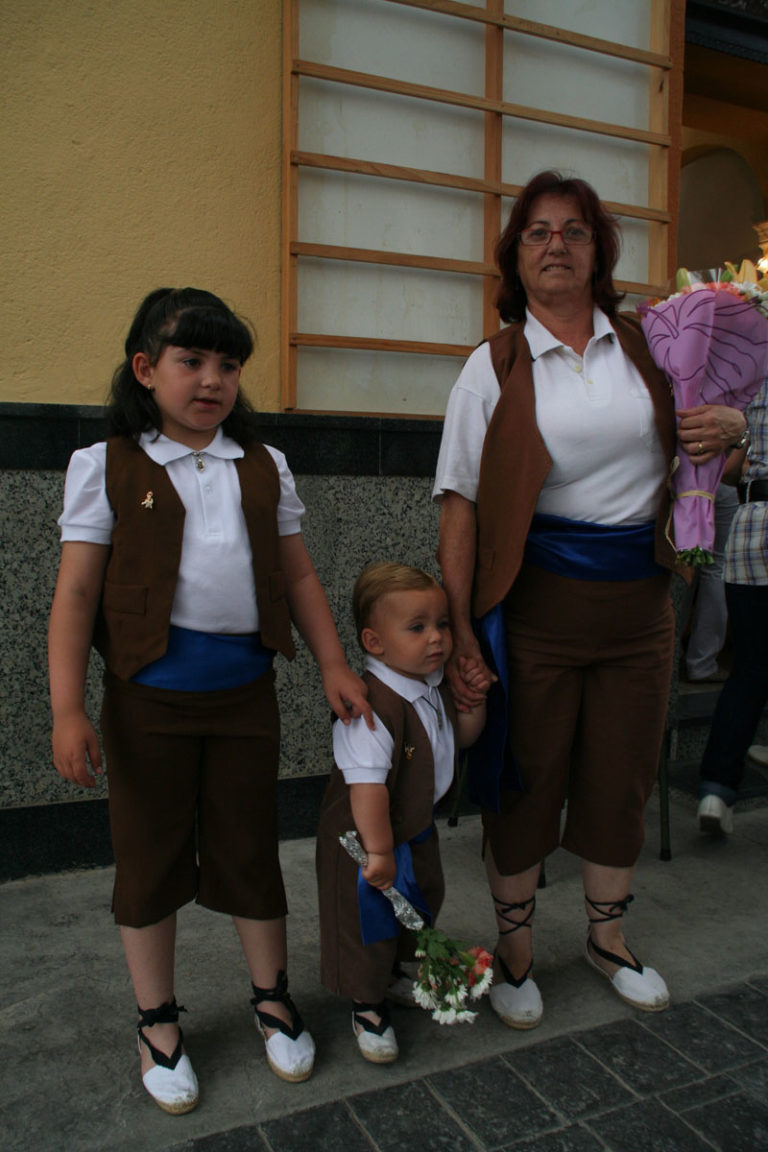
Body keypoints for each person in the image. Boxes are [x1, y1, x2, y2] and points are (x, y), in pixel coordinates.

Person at [432, 170, 747, 1028]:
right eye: (537, 232)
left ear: (599, 249)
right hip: (533, 611)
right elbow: (458, 507)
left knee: (621, 777)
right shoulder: (492, 365)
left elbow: (715, 451)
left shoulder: (653, 345)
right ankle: (519, 950)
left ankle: (608, 940)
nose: (556, 245)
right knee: (525, 781)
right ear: (515, 256)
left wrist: (736, 431)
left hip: (641, 607)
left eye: (573, 230)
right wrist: (462, 630)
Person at [48, 287, 373, 1114]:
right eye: (190, 360)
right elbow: (77, 595)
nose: (212, 379)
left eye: (228, 364)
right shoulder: (107, 465)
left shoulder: (262, 466)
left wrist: (333, 664)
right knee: (150, 856)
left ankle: (272, 996)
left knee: (249, 849)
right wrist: (67, 708)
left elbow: (297, 573)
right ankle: (157, 1020)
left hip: (244, 700)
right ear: (145, 368)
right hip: (144, 703)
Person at [315, 562, 487, 1062]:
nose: (436, 638)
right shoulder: (370, 707)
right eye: (417, 628)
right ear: (374, 641)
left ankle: (395, 972)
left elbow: (456, 742)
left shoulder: (429, 685)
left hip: (410, 829)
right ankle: (366, 1005)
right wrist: (379, 852)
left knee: (419, 900)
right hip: (365, 842)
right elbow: (366, 787)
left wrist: (473, 702)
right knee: (366, 921)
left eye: (442, 624)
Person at [698, 374, 768, 835]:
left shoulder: (752, 382)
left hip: (752, 532)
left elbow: (729, 469)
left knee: (749, 668)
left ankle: (716, 792)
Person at [683, 482, 738, 683]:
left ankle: (670, 650)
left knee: (686, 564)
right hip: (723, 481)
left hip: (689, 482)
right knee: (716, 569)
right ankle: (702, 663)